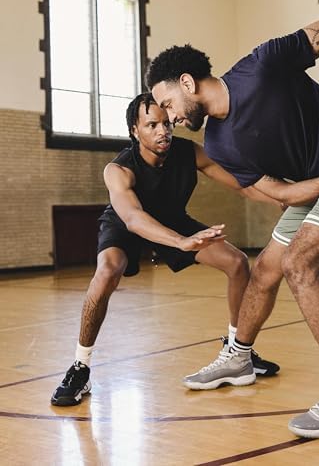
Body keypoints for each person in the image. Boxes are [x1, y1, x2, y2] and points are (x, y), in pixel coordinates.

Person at [147, 11, 319, 438]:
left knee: (298, 265)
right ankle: (239, 356)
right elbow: (280, 193)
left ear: (186, 82)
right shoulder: (217, 143)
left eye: (167, 104)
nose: (170, 117)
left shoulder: (262, 66)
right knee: (265, 271)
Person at [51, 93, 284, 406]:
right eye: (152, 125)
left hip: (173, 219)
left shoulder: (188, 152)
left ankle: (237, 351)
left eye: (166, 123)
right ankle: (80, 366)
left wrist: (283, 198)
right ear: (135, 131)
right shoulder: (118, 170)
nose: (163, 131)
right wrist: (179, 241)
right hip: (126, 224)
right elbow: (133, 218)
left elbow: (241, 184)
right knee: (107, 271)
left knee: (237, 262)